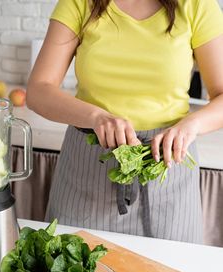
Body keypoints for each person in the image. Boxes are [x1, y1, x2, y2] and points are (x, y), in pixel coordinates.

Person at [26, 0, 223, 243]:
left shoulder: (197, 4)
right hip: (87, 167)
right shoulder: (79, 3)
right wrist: (96, 117)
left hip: (168, 170)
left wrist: (191, 125)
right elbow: (38, 90)